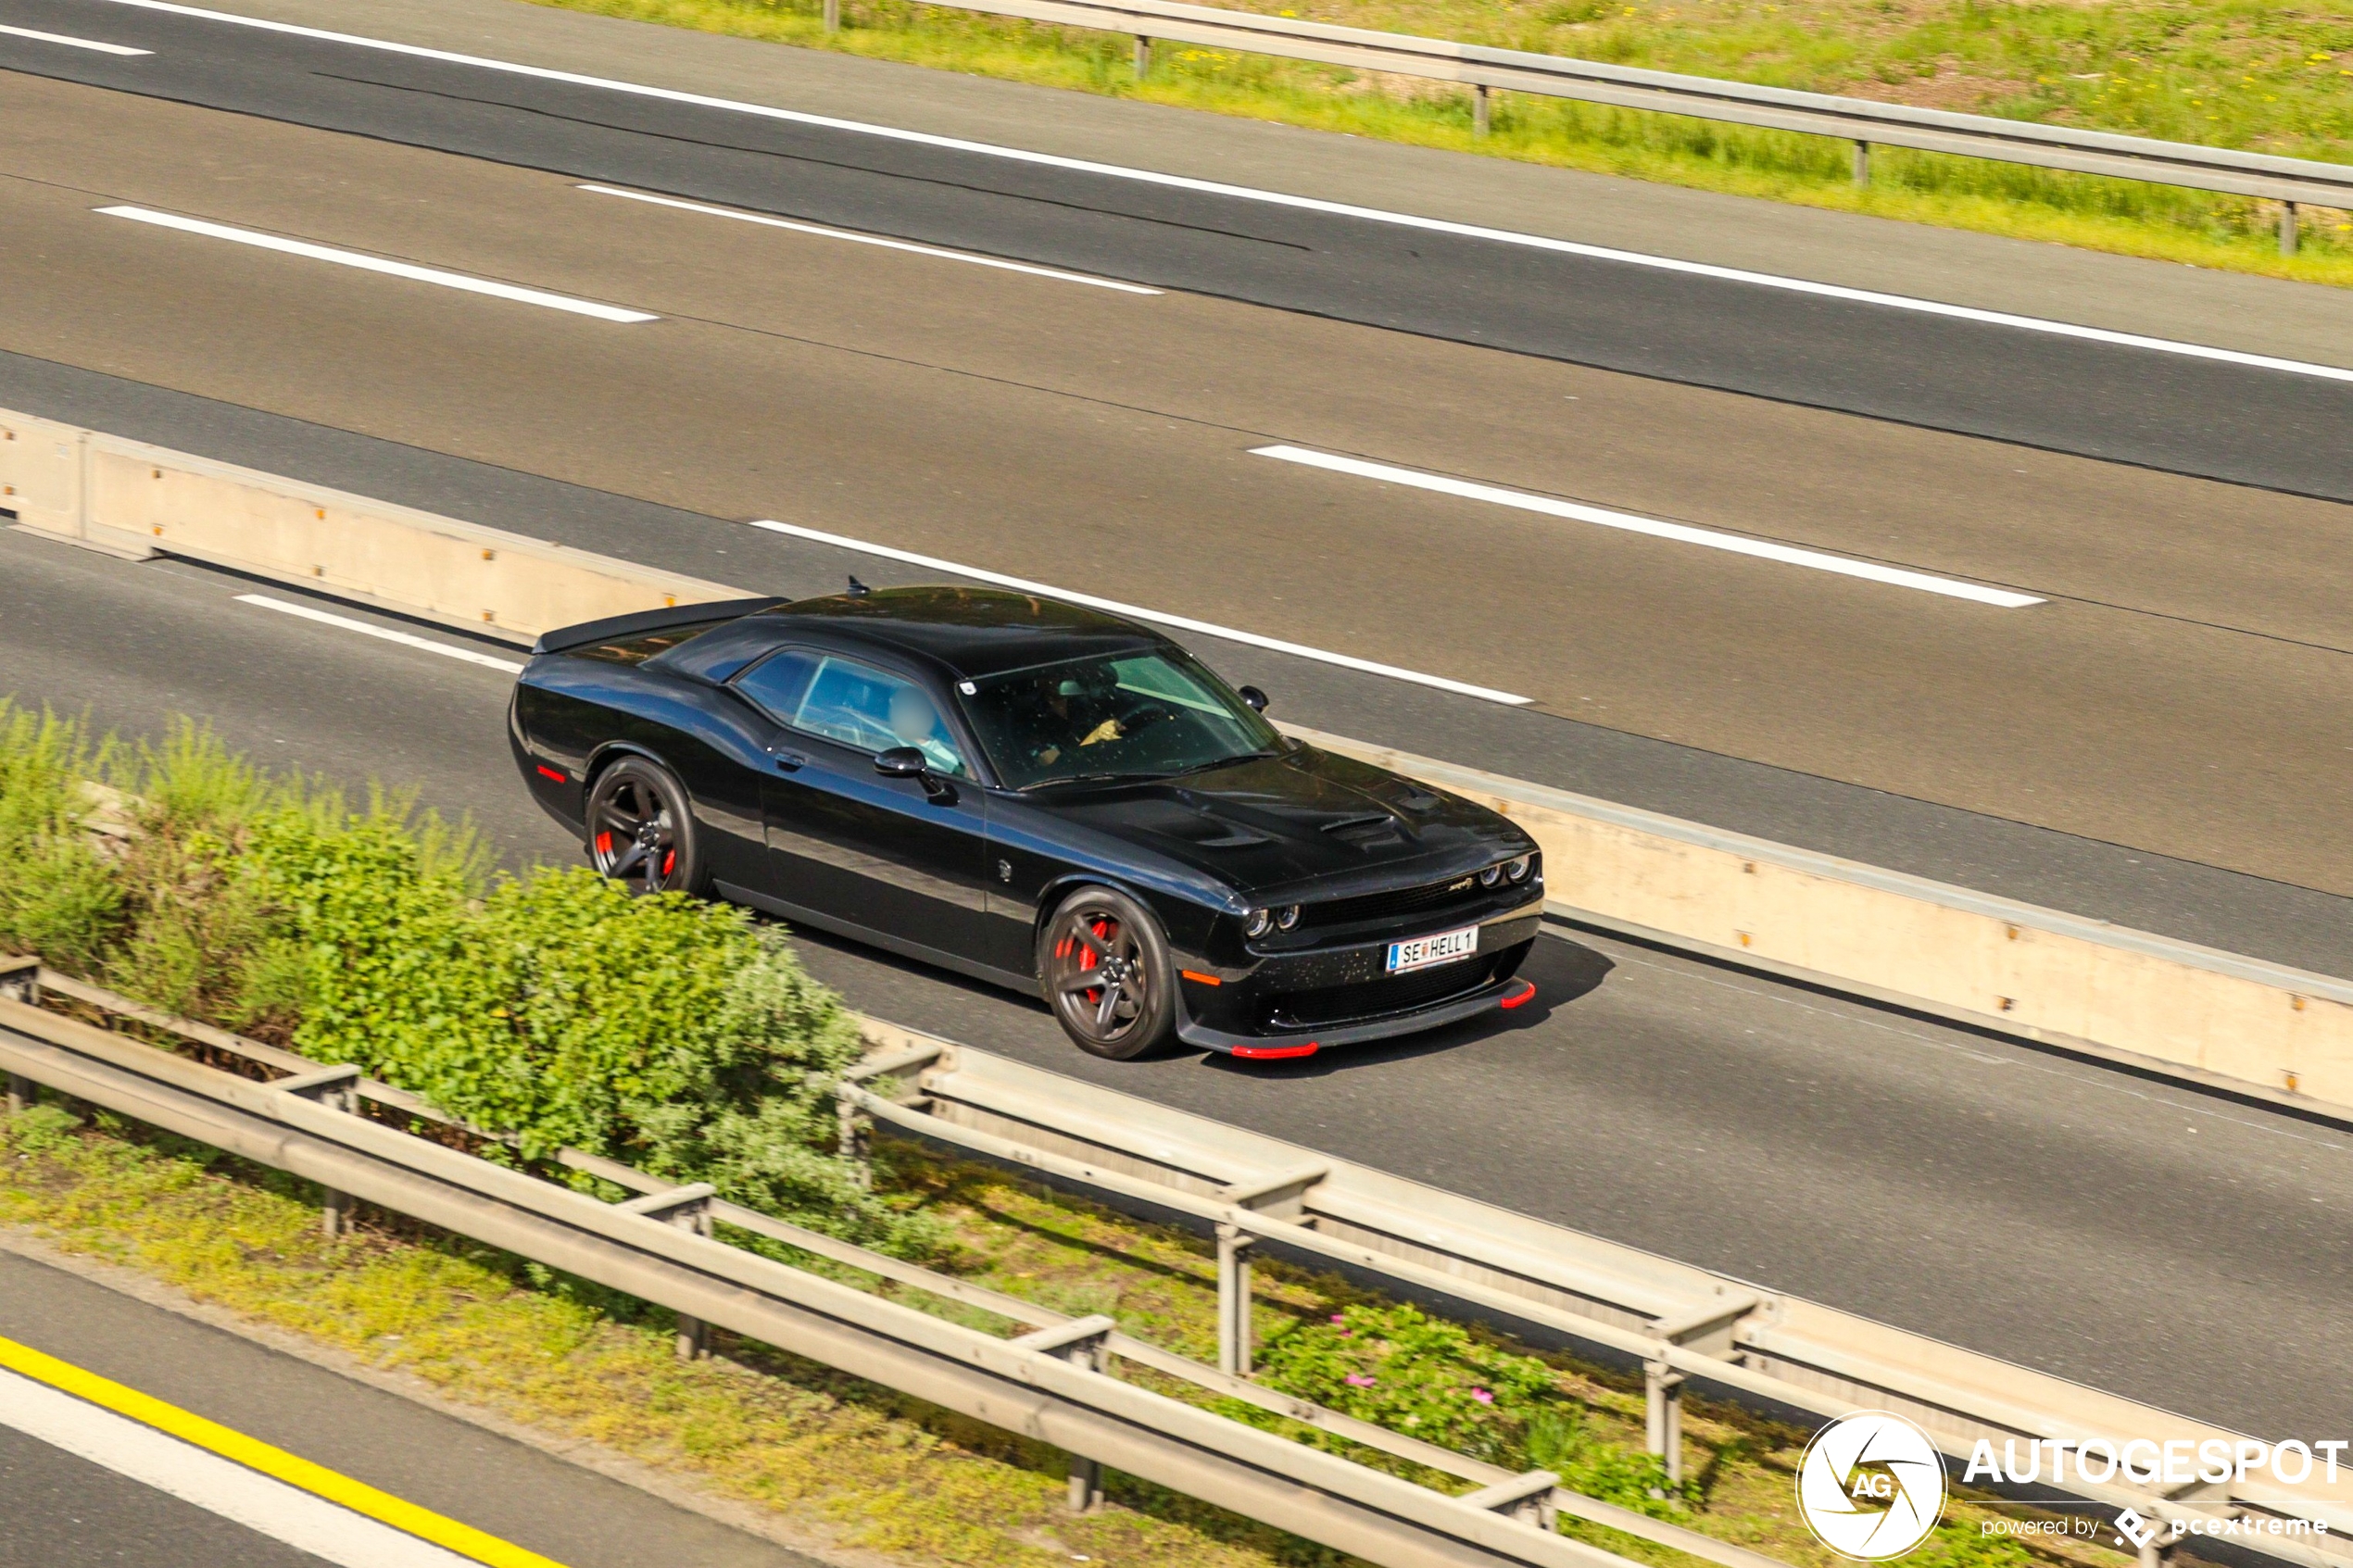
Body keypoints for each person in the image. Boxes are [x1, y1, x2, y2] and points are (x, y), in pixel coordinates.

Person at [886, 684, 966, 775]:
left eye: (921, 704)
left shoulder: (953, 743)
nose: (914, 711)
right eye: (906, 704)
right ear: (892, 706)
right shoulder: (878, 742)